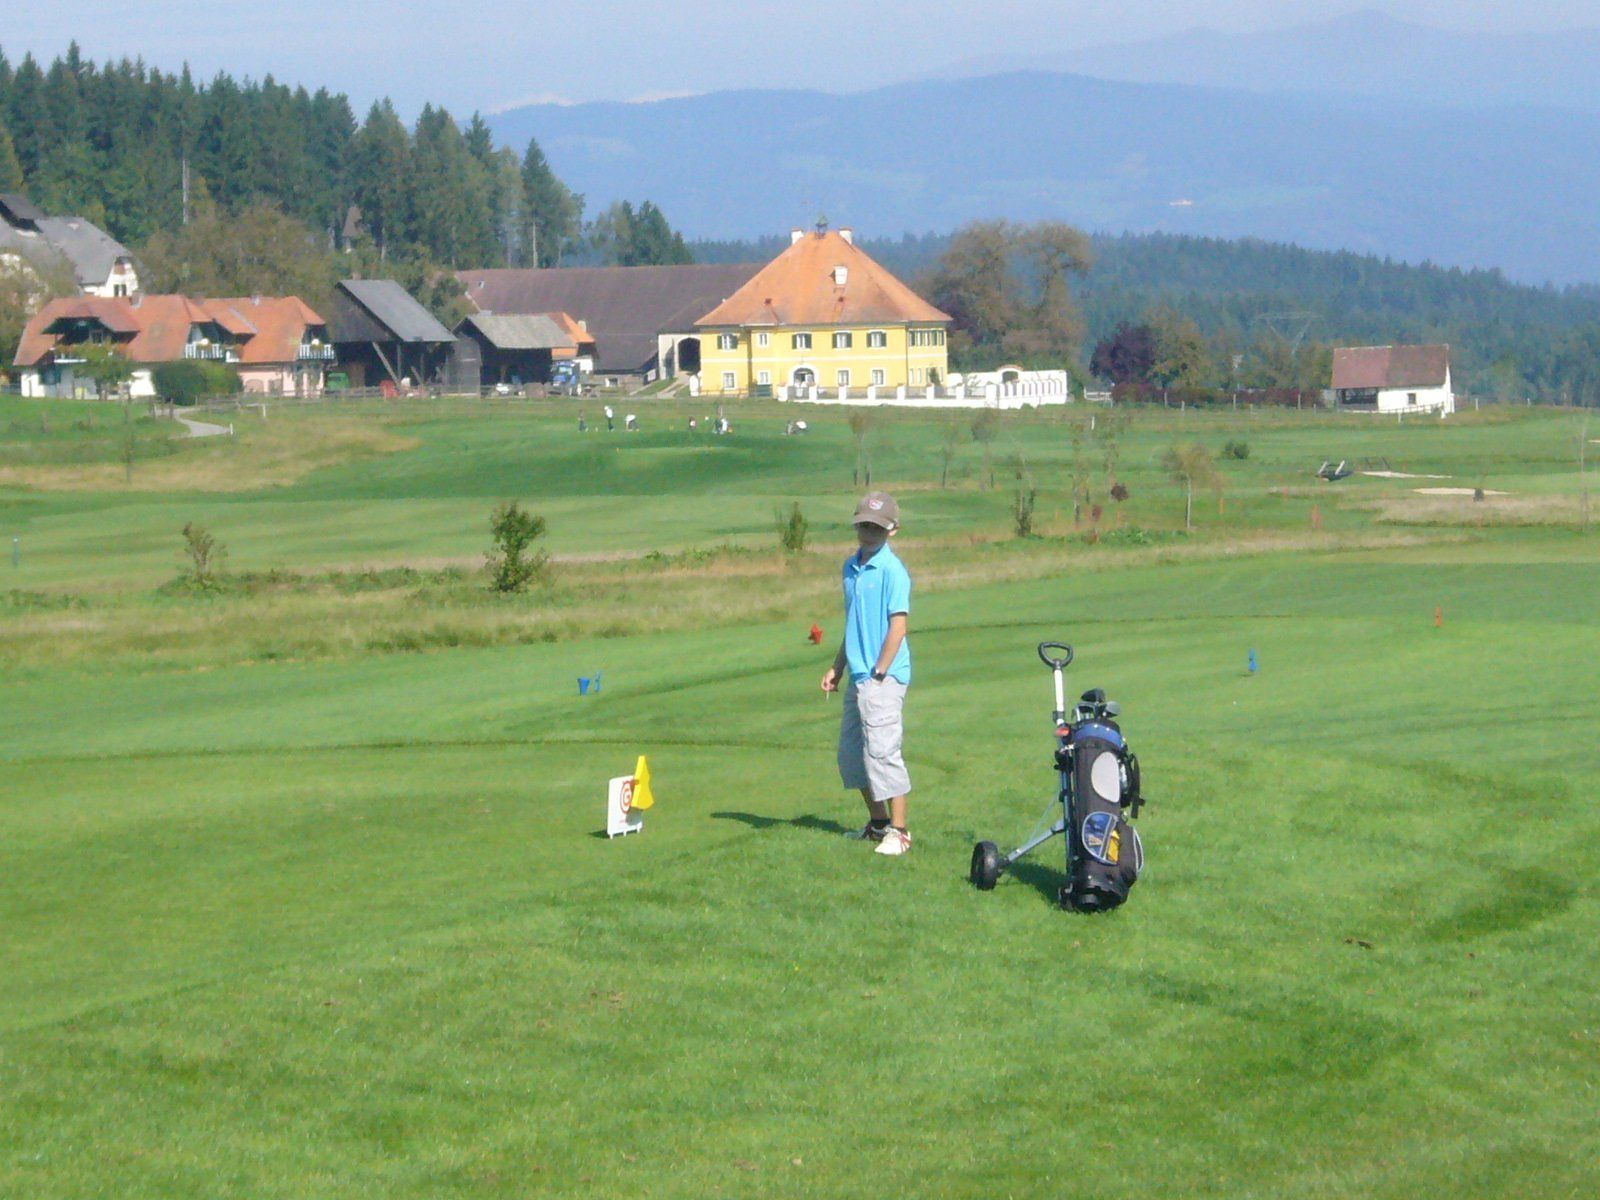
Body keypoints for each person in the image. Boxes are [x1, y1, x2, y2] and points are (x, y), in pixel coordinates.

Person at [821, 491, 913, 856]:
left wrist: (879, 672)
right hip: (859, 675)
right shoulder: (850, 568)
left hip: (883, 677)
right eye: (864, 526)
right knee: (851, 756)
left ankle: (900, 832)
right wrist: (837, 666)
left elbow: (898, 627)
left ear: (892, 530)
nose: (869, 533)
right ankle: (878, 824)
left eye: (876, 527)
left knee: (883, 753)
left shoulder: (893, 570)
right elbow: (854, 625)